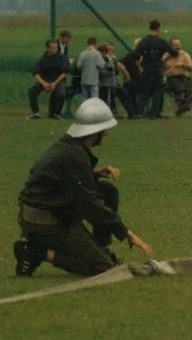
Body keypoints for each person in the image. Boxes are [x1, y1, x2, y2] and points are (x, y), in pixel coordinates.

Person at [13, 98, 154, 277]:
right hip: (46, 222)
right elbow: (91, 205)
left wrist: (93, 175)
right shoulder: (75, 156)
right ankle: (37, 253)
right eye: (106, 129)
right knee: (104, 268)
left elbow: (65, 183)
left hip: (45, 211)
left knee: (107, 190)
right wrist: (126, 233)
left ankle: (101, 248)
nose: (108, 133)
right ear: (96, 131)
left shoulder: (68, 146)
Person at [134, 20, 177, 119]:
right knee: (157, 91)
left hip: (146, 69)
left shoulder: (143, 41)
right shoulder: (162, 41)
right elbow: (174, 52)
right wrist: (165, 56)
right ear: (158, 28)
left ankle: (139, 113)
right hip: (158, 69)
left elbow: (136, 55)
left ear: (150, 28)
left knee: (144, 91)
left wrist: (140, 65)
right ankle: (154, 113)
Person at [27, 40, 69, 120]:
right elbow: (36, 73)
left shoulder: (62, 58)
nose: (55, 49)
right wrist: (44, 83)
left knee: (61, 93)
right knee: (32, 91)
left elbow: (64, 73)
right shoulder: (42, 59)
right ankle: (35, 113)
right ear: (47, 48)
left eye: (56, 47)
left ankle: (56, 113)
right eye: (52, 47)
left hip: (58, 80)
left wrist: (54, 83)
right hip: (45, 80)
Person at [162, 38, 192, 117]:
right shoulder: (166, 56)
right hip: (170, 79)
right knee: (176, 84)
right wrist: (165, 58)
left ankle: (182, 107)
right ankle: (183, 107)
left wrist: (182, 65)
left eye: (179, 45)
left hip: (183, 78)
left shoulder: (184, 55)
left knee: (191, 92)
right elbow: (159, 68)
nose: (178, 47)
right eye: (176, 45)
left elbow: (191, 68)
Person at [101, 43, 136, 119]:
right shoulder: (102, 58)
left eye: (112, 50)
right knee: (110, 97)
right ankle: (112, 113)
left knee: (124, 95)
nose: (111, 51)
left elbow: (119, 66)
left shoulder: (112, 58)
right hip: (105, 82)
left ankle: (131, 113)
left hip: (113, 81)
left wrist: (127, 75)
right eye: (109, 50)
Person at [117, 38, 143, 119]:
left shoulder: (138, 55)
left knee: (133, 98)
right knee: (132, 97)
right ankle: (134, 113)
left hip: (136, 80)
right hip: (132, 80)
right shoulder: (132, 55)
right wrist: (127, 74)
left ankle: (134, 113)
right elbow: (119, 63)